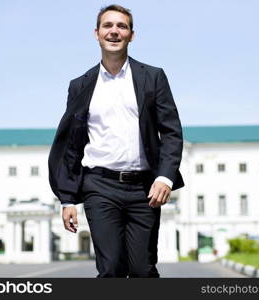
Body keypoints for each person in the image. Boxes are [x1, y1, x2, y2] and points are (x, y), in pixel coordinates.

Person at [48, 4, 184, 278]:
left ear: (132, 35)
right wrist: (67, 199)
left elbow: (171, 131)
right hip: (99, 186)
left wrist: (165, 178)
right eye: (108, 26)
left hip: (144, 189)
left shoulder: (152, 77)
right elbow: (71, 146)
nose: (114, 31)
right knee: (109, 269)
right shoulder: (80, 85)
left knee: (142, 270)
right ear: (96, 33)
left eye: (121, 26)